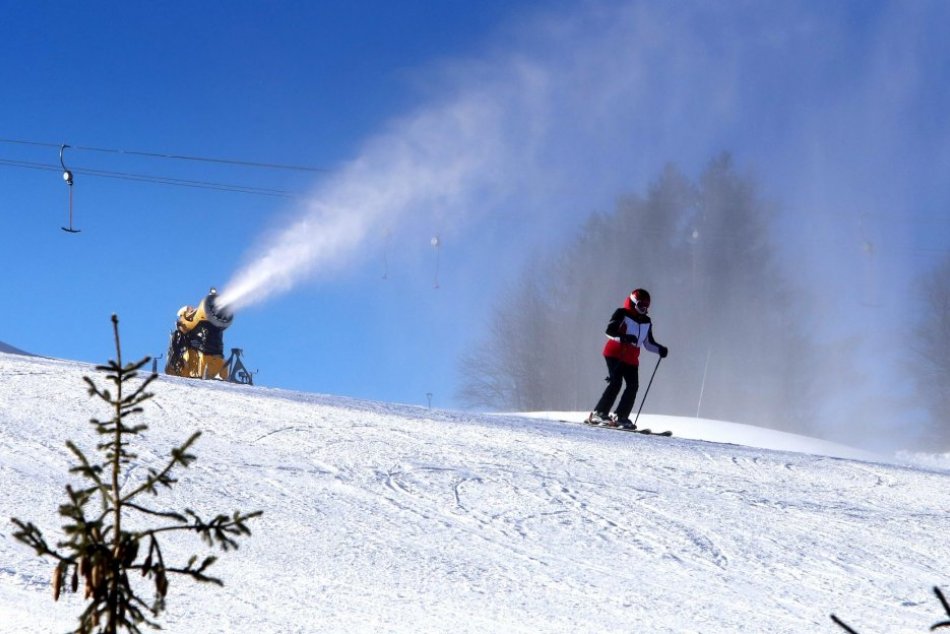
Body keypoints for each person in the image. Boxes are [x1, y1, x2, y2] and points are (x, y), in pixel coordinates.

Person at [587, 288, 668, 429]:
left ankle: (621, 416)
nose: (644, 309)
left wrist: (659, 349)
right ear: (633, 302)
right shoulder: (622, 313)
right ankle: (599, 413)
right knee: (616, 382)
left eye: (646, 306)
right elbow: (609, 331)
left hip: (631, 359)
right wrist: (624, 338)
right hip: (615, 353)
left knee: (633, 386)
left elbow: (648, 343)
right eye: (641, 305)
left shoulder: (646, 321)